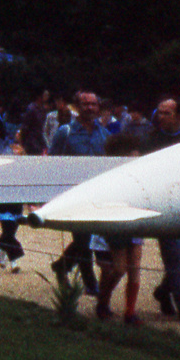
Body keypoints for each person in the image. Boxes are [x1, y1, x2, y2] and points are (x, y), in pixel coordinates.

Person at [146, 98, 180, 322]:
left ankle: (164, 291)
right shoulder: (152, 140)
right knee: (173, 255)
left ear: (179, 116)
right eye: (159, 112)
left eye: (167, 113)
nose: (161, 117)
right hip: (165, 204)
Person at [49, 90, 107, 295]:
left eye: (93, 104)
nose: (90, 108)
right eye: (85, 104)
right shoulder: (65, 132)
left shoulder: (104, 133)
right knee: (83, 240)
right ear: (77, 107)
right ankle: (91, 284)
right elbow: (53, 162)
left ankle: (62, 266)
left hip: (97, 194)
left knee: (89, 237)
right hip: (73, 194)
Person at [93, 132, 146, 325]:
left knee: (134, 266)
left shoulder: (138, 173)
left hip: (134, 222)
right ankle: (102, 301)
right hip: (115, 223)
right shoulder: (109, 175)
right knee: (119, 268)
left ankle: (130, 312)